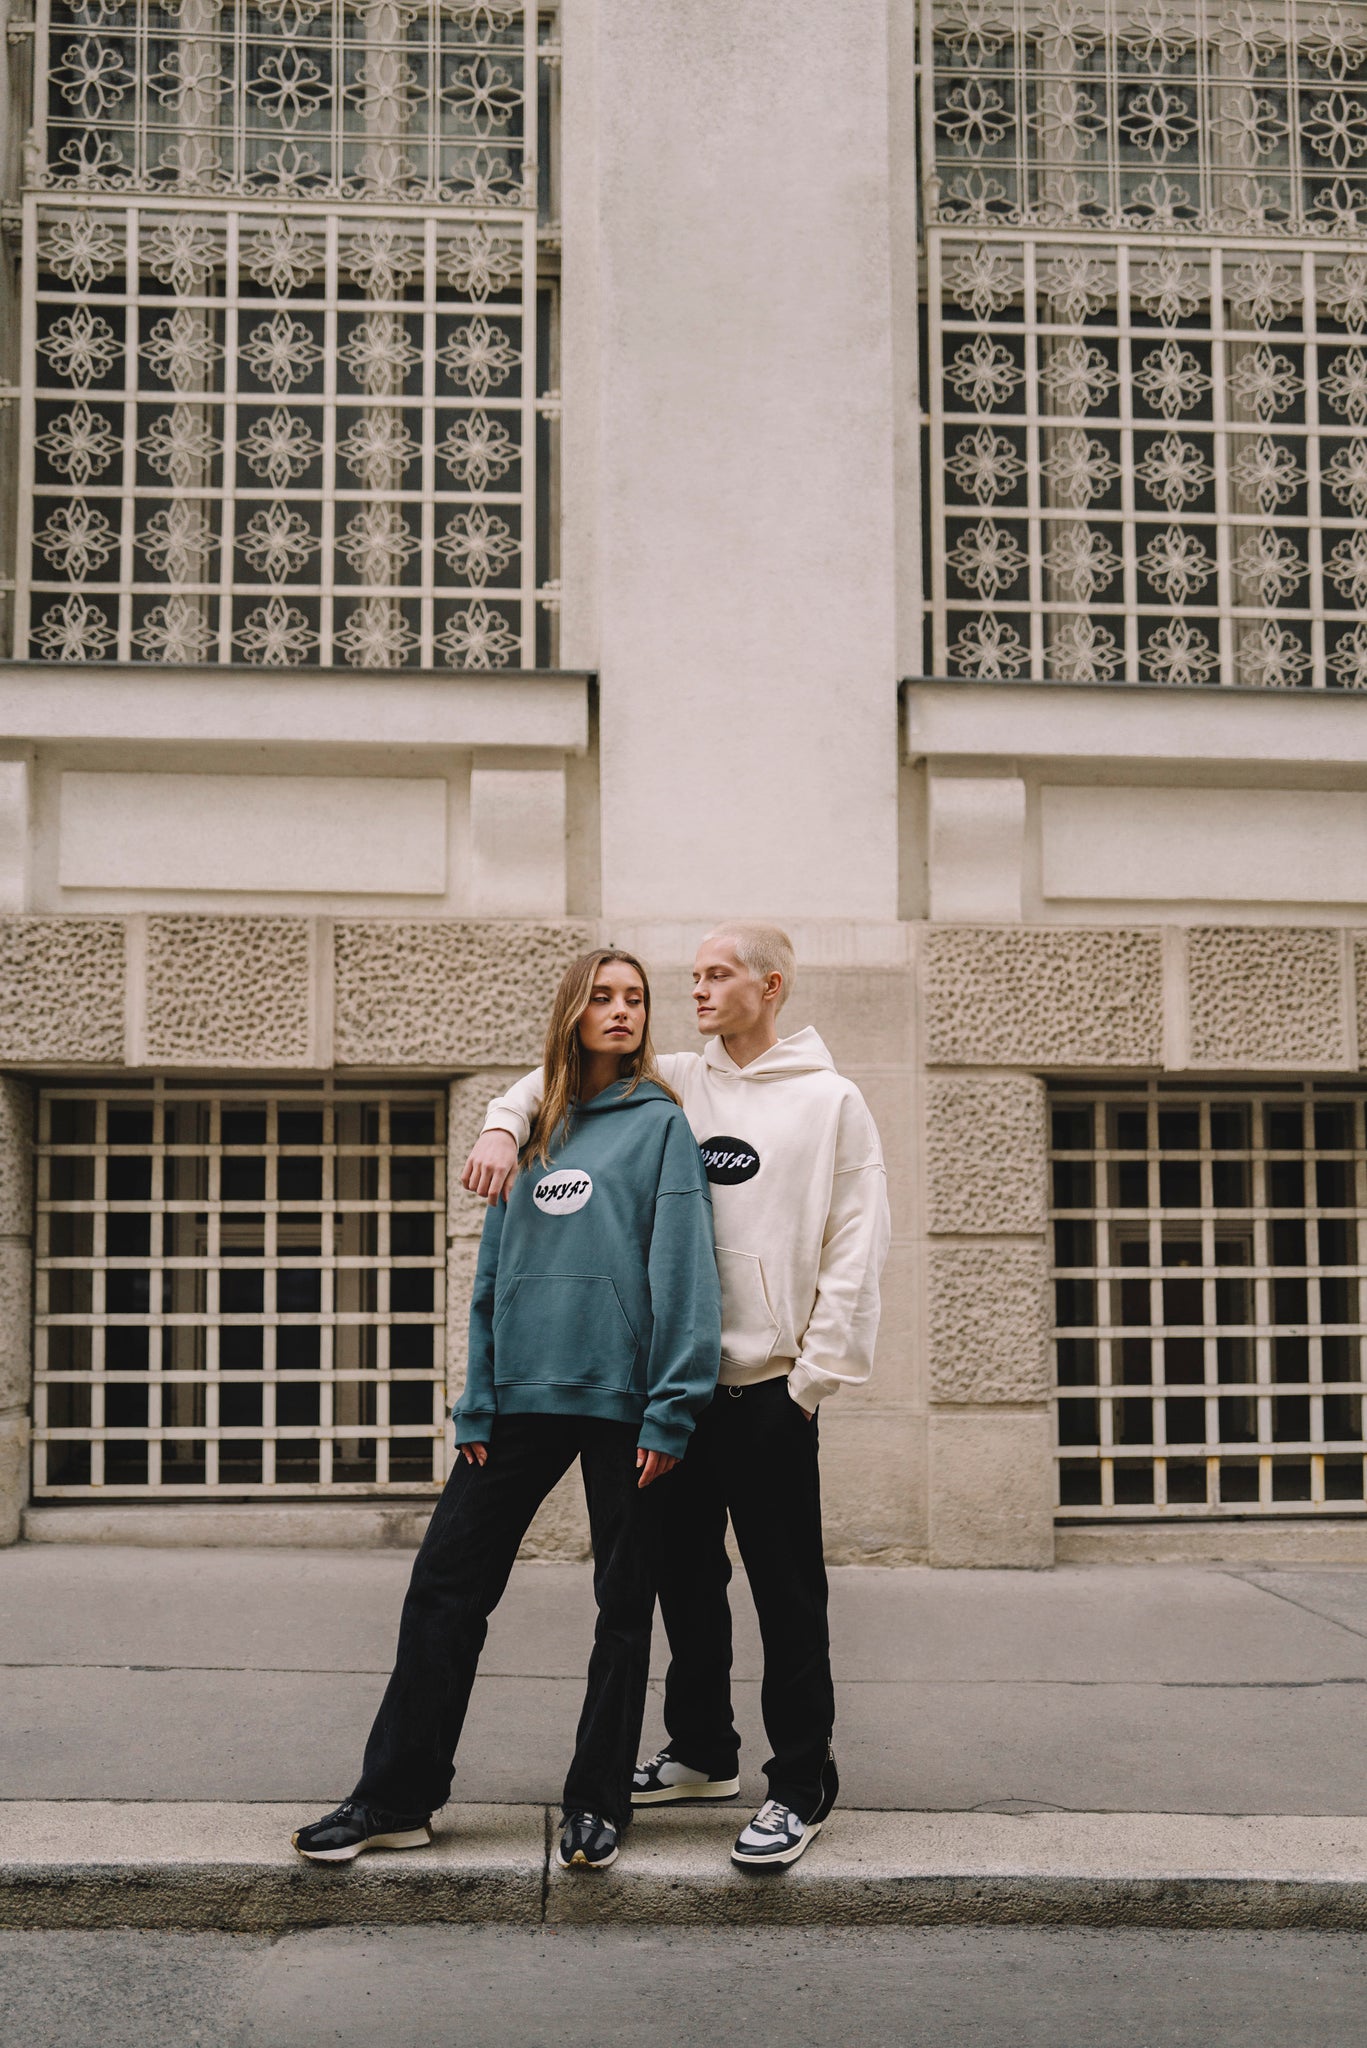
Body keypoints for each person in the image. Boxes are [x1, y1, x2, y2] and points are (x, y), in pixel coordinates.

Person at [462, 922, 890, 1869]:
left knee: (787, 1593)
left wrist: (810, 1382)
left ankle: (802, 1783)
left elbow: (857, 1247)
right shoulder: (680, 1082)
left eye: (716, 975)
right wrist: (499, 1123)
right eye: (691, 976)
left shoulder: (830, 1101)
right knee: (683, 1582)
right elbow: (550, 1080)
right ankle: (702, 1751)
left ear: (769, 986)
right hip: (675, 1392)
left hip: (769, 1391)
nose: (694, 990)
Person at [292, 948, 721, 1873]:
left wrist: (671, 1411)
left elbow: (686, 1277)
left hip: (624, 1407)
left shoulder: (660, 1126)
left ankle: (597, 1802)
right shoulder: (534, 1129)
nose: (621, 1011)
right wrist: (476, 1400)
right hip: (519, 1400)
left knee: (621, 1607)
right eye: (601, 997)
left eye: (635, 999)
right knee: (444, 1587)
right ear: (571, 1012)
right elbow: (491, 1275)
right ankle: (395, 1798)